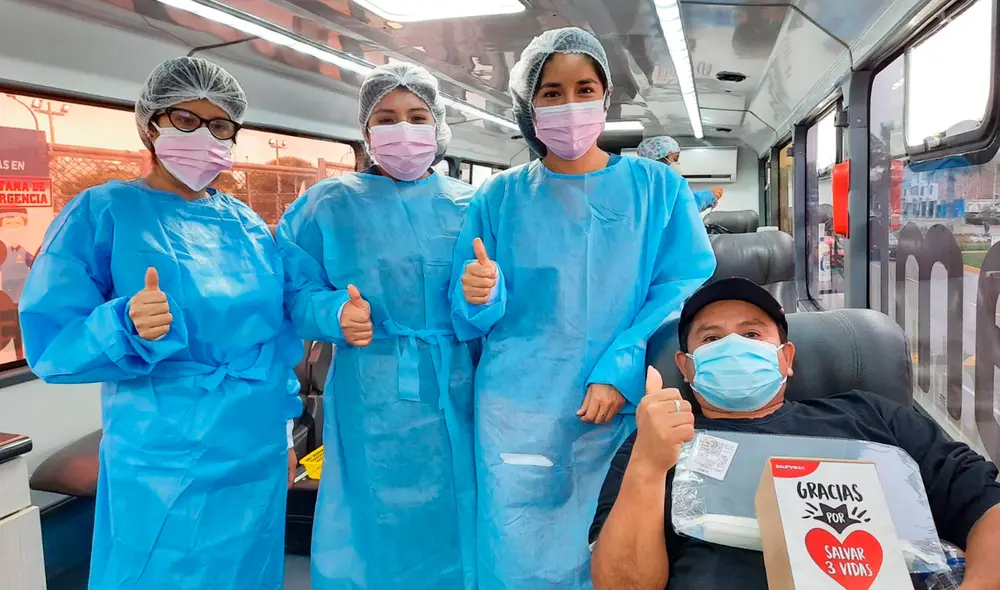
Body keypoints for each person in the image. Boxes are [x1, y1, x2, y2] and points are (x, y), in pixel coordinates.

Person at [18, 56, 303, 590]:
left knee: (249, 568)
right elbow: (53, 344)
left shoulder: (244, 223)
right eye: (187, 120)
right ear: (152, 126)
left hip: (255, 442)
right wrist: (122, 324)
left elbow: (277, 338)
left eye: (220, 125)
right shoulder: (102, 213)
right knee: (161, 570)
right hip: (164, 452)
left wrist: (286, 435)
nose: (206, 136)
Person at [450, 27, 717, 589]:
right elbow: (469, 313)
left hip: (622, 404)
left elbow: (680, 289)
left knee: (612, 546)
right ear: (529, 102)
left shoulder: (658, 188)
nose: (568, 105)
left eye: (583, 88)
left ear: (605, 95)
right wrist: (481, 294)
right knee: (516, 550)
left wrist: (620, 365)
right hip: (518, 408)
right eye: (551, 92)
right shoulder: (497, 197)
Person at [589, 277, 1000, 590]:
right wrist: (647, 464)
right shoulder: (658, 441)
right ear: (687, 367)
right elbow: (623, 584)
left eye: (751, 334)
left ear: (786, 358)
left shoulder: (871, 417)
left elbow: (986, 504)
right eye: (711, 338)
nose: (732, 345)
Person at [276, 63, 477, 590]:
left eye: (417, 116)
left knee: (456, 511)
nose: (403, 129)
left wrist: (485, 296)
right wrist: (333, 315)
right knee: (370, 515)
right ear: (366, 132)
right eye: (387, 117)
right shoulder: (326, 204)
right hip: (369, 391)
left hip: (457, 385)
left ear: (437, 128)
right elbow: (291, 291)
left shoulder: (472, 204)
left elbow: (495, 302)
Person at [637, 136, 724, 212]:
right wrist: (705, 197)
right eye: (675, 159)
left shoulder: (657, 185)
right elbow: (681, 210)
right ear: (660, 161)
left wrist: (707, 198)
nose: (677, 163)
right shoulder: (651, 188)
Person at [0, 207, 35, 302]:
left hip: (22, 281)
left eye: (17, 223)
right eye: (8, 223)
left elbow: (34, 264)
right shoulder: (2, 252)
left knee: (20, 300)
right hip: (6, 282)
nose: (13, 227)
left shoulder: (25, 252)